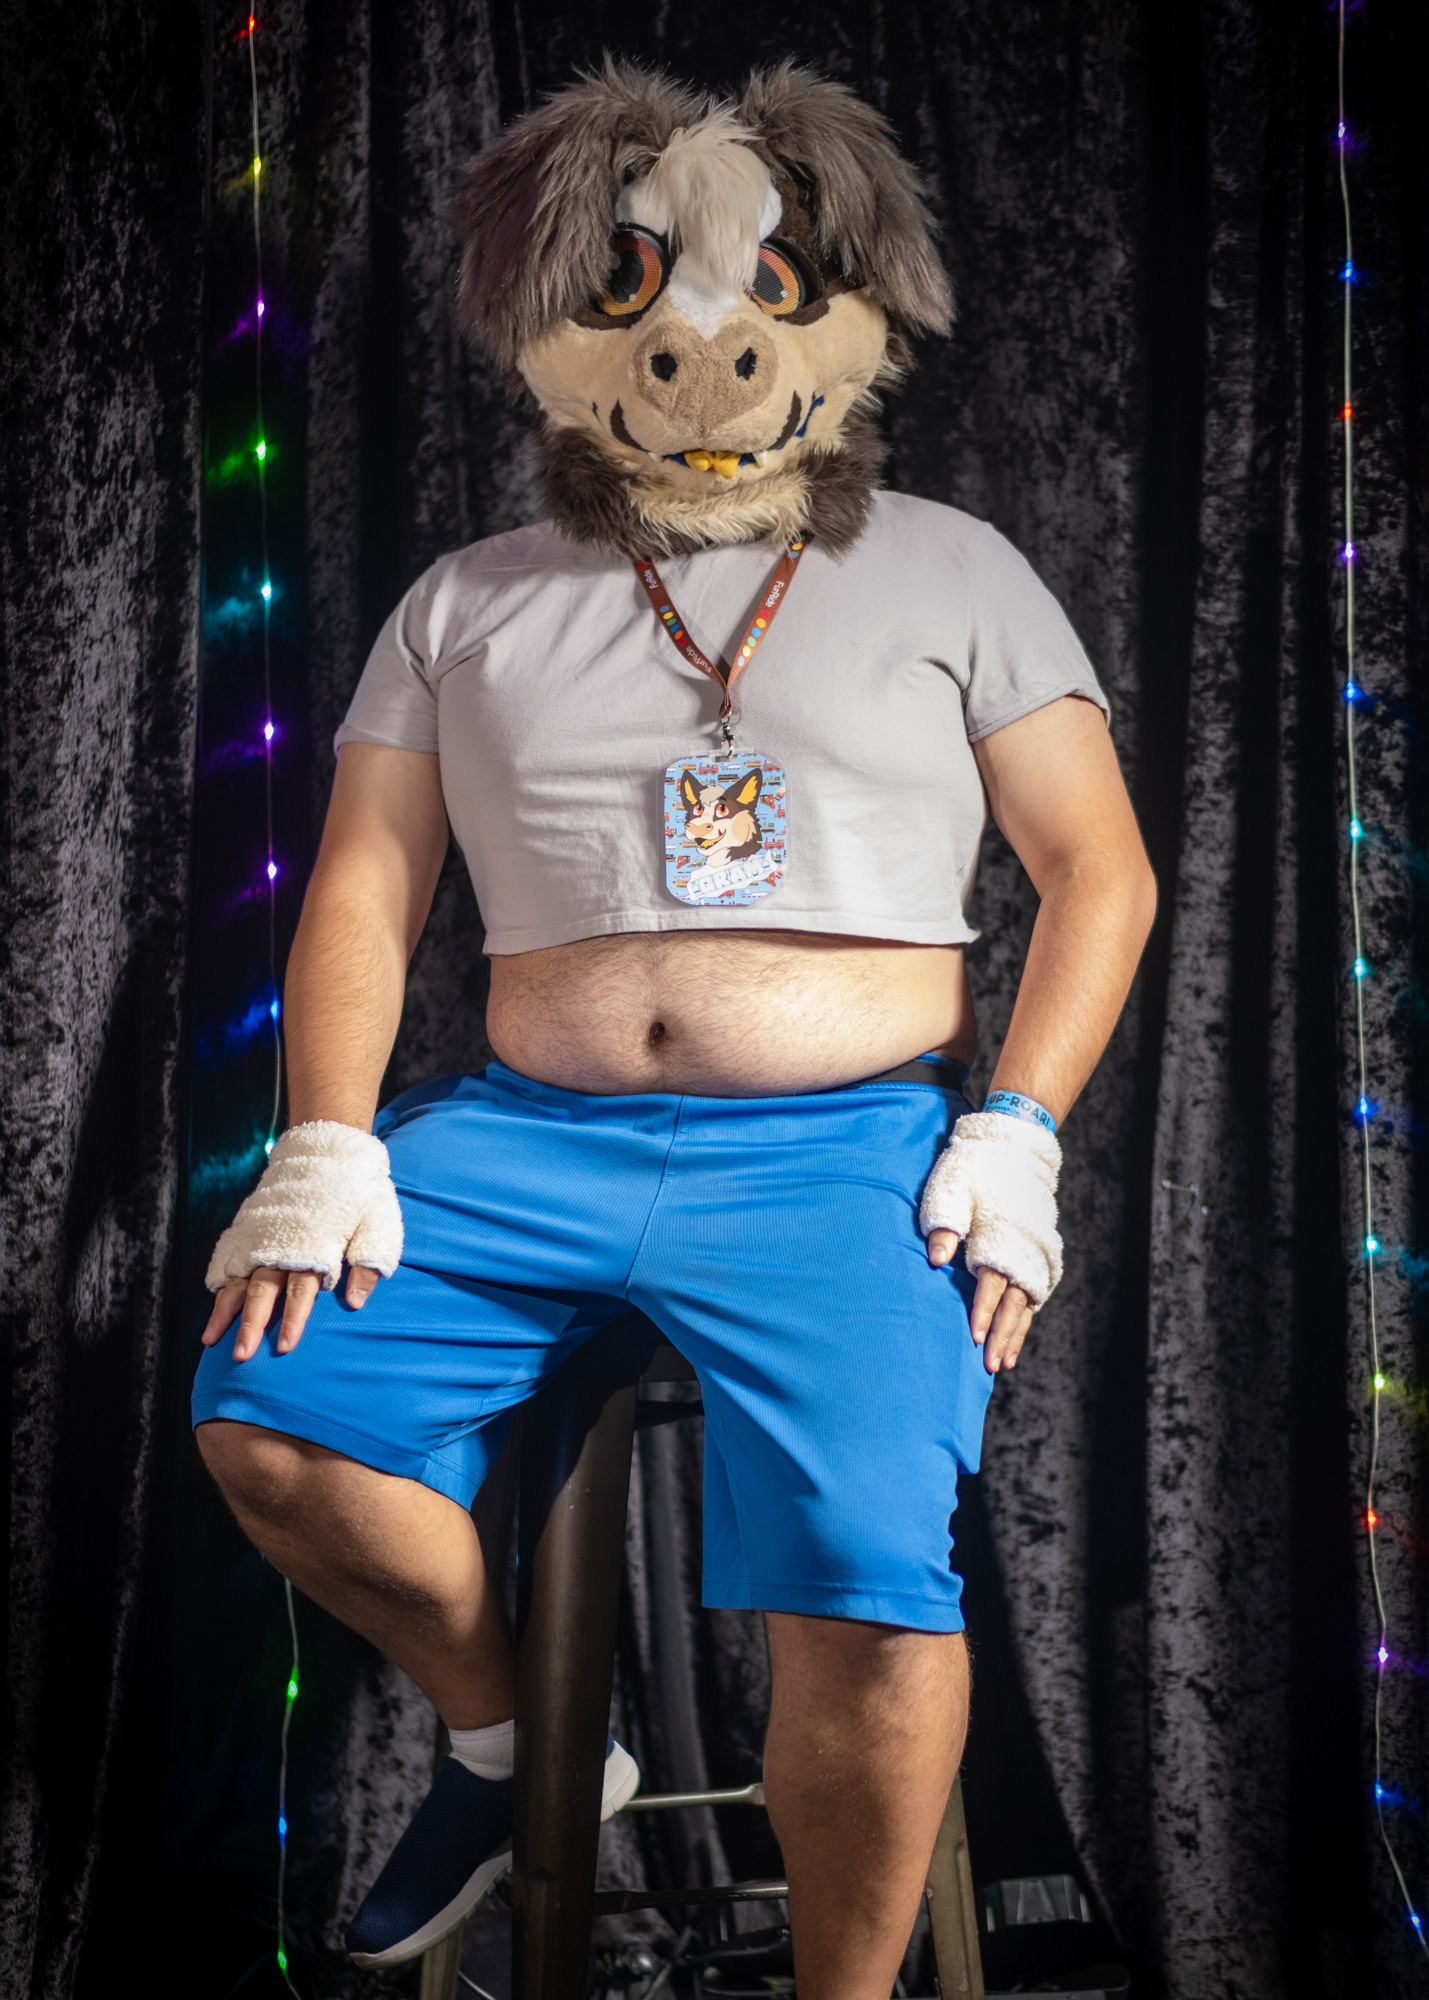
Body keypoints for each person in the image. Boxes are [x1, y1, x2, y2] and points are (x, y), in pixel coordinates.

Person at [192, 61, 1156, 1995]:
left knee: (869, 1589)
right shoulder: (462, 601)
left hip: (842, 1150)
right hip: (522, 1138)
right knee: (271, 1431)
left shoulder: (957, 567)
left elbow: (1099, 875)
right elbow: (366, 889)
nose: (701, 348)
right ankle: (504, 1747)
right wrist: (326, 1139)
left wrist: (1020, 1128)